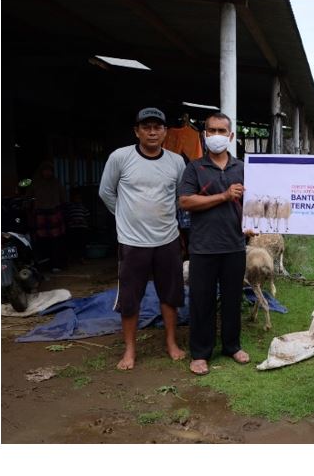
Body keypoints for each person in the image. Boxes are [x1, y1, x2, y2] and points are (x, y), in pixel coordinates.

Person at [99, 107, 186, 370]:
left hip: (168, 239)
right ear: (136, 131)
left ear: (165, 132)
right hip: (132, 242)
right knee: (130, 297)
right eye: (146, 127)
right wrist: (125, 217)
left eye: (157, 127)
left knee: (170, 294)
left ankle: (171, 343)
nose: (152, 132)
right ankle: (129, 350)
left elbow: (180, 198)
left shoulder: (176, 162)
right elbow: (106, 193)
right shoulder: (120, 157)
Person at [178, 112, 249, 376]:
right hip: (203, 246)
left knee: (232, 299)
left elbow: (255, 203)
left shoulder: (242, 168)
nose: (216, 135)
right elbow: (185, 201)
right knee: (201, 301)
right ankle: (200, 353)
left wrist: (254, 225)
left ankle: (232, 346)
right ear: (204, 134)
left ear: (230, 136)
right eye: (211, 130)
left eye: (222, 131)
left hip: (234, 244)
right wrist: (223, 196)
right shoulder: (194, 168)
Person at [27, 160, 67, 272]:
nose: (47, 173)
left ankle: (57, 264)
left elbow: (63, 197)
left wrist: (62, 208)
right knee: (42, 240)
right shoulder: (35, 183)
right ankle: (45, 264)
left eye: (50, 170)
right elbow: (28, 197)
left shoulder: (56, 182)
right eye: (45, 170)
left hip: (54, 213)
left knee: (57, 240)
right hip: (40, 214)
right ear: (41, 171)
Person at [63, 189, 91, 264]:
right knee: (73, 243)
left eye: (79, 198)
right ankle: (72, 258)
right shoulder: (70, 207)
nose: (77, 199)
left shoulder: (83, 207)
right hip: (73, 228)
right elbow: (67, 216)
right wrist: (72, 221)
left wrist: (84, 222)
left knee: (82, 243)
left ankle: (82, 258)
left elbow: (87, 216)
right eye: (76, 198)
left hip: (82, 228)